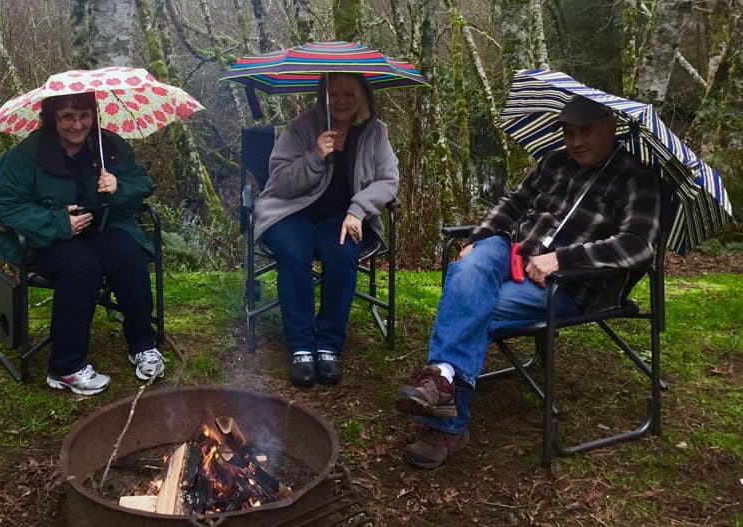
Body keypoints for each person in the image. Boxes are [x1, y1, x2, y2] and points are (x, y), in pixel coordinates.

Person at [395, 95, 662, 468]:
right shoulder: (554, 162)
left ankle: (446, 421)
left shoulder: (637, 179)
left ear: (610, 128)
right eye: (568, 133)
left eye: (585, 132)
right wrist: (478, 239)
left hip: (564, 284)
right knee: (469, 271)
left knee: (474, 304)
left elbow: (637, 246)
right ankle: (442, 378)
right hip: (513, 251)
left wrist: (563, 259)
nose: (575, 142)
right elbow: (513, 204)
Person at [0, 92, 164, 395]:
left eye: (84, 114)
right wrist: (58, 222)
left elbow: (143, 182)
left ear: (94, 115)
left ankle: (143, 345)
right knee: (82, 267)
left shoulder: (108, 146)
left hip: (101, 229)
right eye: (67, 116)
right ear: (51, 118)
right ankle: (65, 368)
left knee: (128, 255)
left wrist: (118, 186)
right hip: (43, 239)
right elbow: (4, 205)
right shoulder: (26, 155)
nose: (77, 124)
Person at [254, 73, 399, 388]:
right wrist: (315, 157)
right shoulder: (301, 128)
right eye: (334, 94)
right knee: (294, 253)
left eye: (349, 94)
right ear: (323, 97)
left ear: (361, 97)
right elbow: (279, 182)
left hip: (343, 215)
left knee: (343, 253)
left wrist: (358, 210)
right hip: (291, 211)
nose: (342, 101)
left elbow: (388, 181)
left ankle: (329, 344)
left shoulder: (376, 132)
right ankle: (302, 345)